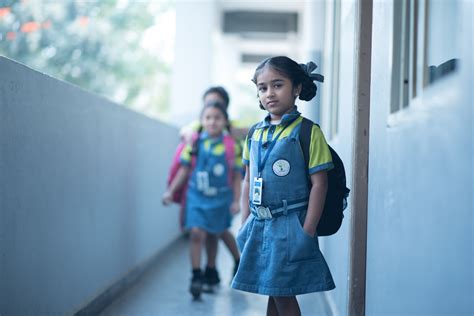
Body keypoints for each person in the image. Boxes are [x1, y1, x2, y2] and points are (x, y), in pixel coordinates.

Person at [231, 56, 335, 315]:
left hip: (290, 226)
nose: (269, 93)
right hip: (259, 224)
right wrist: (244, 221)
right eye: (263, 87)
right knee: (274, 290)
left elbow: (320, 184)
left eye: (278, 85)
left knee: (282, 293)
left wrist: (307, 230)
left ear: (296, 88)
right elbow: (247, 179)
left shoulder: (309, 132)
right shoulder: (255, 133)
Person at [162, 101, 242, 300]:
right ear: (201, 121)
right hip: (197, 197)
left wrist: (236, 200)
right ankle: (196, 276)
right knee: (197, 232)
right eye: (208, 118)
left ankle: (239, 260)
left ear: (225, 121)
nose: (212, 122)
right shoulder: (195, 143)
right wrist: (171, 191)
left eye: (217, 118)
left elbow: (237, 176)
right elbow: (185, 169)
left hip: (221, 198)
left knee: (221, 231)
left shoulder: (232, 146)